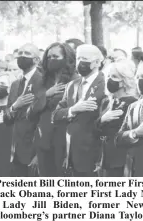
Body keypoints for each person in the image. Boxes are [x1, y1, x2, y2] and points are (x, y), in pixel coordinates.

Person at [51, 44, 106, 177]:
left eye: (84, 58)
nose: (80, 62)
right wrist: (73, 110)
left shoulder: (105, 84)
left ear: (97, 62)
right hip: (71, 153)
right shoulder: (72, 85)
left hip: (94, 153)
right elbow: (55, 115)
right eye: (78, 58)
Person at [34, 42, 78, 177]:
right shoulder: (42, 80)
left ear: (66, 58)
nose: (51, 60)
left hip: (64, 138)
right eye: (48, 57)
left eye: (55, 56)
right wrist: (46, 95)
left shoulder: (75, 81)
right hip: (44, 137)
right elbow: (33, 108)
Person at [3, 43, 45, 177]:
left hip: (35, 151)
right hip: (16, 152)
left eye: (27, 54)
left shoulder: (44, 82)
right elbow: (7, 118)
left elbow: (44, 120)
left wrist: (39, 154)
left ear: (37, 60)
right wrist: (15, 106)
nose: (22, 56)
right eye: (20, 53)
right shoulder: (15, 84)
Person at [94, 60, 138, 177]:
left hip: (121, 160)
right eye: (108, 76)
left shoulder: (132, 103)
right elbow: (96, 131)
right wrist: (102, 120)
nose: (109, 79)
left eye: (114, 76)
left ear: (124, 81)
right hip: (104, 158)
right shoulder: (107, 102)